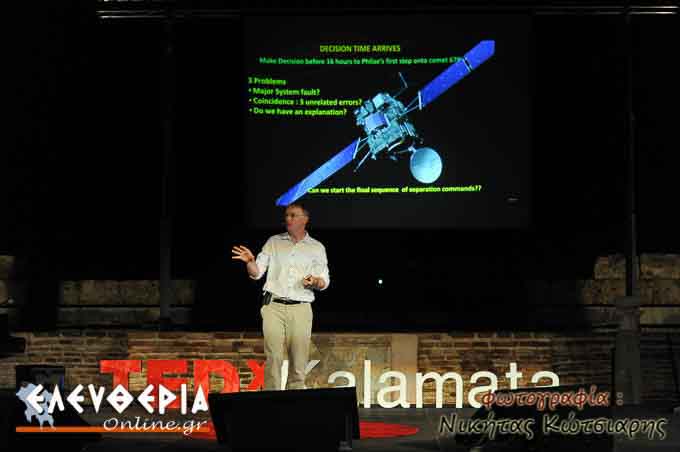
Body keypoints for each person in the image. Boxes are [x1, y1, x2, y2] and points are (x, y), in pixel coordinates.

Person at [232, 202, 329, 390]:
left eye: (293, 215)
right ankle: (272, 399)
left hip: (300, 307)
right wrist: (250, 262)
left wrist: (315, 281)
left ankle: (294, 400)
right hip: (273, 306)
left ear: (305, 219)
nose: (288, 219)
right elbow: (257, 273)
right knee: (273, 357)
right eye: (286, 215)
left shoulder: (316, 247)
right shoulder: (274, 242)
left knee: (298, 360)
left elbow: (324, 280)